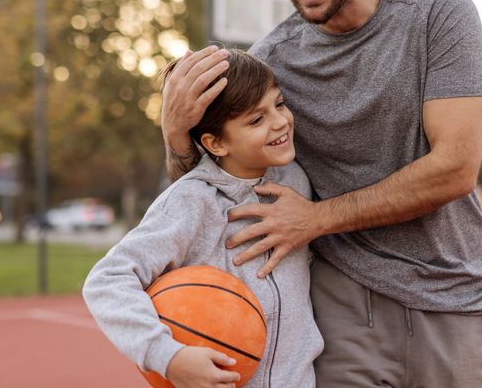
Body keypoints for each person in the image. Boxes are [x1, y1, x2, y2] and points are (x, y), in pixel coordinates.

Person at [161, 0, 482, 387]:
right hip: (341, 306)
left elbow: (455, 169)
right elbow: (218, 190)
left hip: (452, 296)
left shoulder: (441, 16)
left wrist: (316, 219)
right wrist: (176, 135)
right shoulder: (271, 62)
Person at [83, 50, 323, 388]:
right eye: (257, 120)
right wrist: (167, 356)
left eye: (279, 104)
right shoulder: (192, 200)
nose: (280, 121)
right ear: (216, 143)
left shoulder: (295, 177)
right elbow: (107, 280)